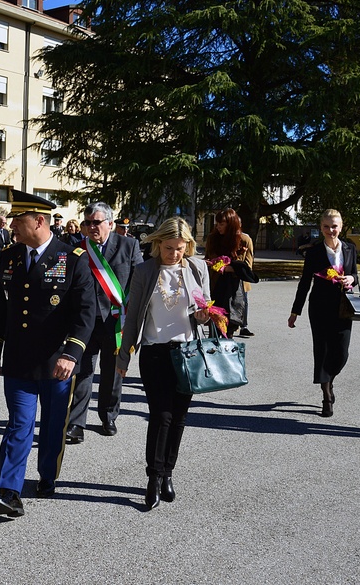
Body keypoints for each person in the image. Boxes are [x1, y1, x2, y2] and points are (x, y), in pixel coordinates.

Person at [0, 190, 95, 518]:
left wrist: (71, 354)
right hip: (19, 359)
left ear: (39, 221)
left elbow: (85, 313)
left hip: (57, 362)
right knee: (19, 425)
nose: (11, 227)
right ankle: (9, 492)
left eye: (17, 222)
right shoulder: (9, 256)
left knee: (51, 428)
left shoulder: (72, 257)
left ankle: (47, 475)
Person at [115, 217, 211, 511]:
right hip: (155, 353)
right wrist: (123, 355)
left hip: (188, 353)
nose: (175, 254)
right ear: (158, 244)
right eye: (169, 248)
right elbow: (132, 317)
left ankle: (169, 472)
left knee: (179, 417)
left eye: (181, 248)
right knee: (161, 416)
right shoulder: (144, 271)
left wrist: (205, 315)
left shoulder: (198, 268)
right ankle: (154, 477)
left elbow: (205, 304)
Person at [66, 203, 141, 444]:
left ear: (110, 223)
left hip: (115, 322)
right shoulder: (77, 248)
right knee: (82, 371)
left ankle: (108, 415)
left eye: (96, 222)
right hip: (85, 322)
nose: (90, 227)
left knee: (112, 372)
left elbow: (139, 279)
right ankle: (76, 423)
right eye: (87, 222)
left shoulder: (129, 246)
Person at [288, 209, 358, 418]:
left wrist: (351, 279)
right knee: (322, 351)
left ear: (341, 226)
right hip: (319, 307)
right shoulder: (315, 252)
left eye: (334, 226)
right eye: (326, 226)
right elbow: (304, 283)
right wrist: (295, 311)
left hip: (343, 308)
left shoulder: (350, 248)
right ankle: (326, 397)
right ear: (321, 228)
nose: (331, 230)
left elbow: (355, 273)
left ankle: (330, 381)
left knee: (341, 353)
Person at [205, 209, 256, 337]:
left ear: (231, 224)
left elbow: (248, 268)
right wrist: (210, 264)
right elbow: (207, 259)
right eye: (217, 224)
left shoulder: (244, 240)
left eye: (221, 224)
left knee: (230, 328)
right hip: (216, 286)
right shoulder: (212, 238)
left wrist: (228, 268)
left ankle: (228, 351)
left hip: (236, 288)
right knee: (215, 328)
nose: (217, 227)